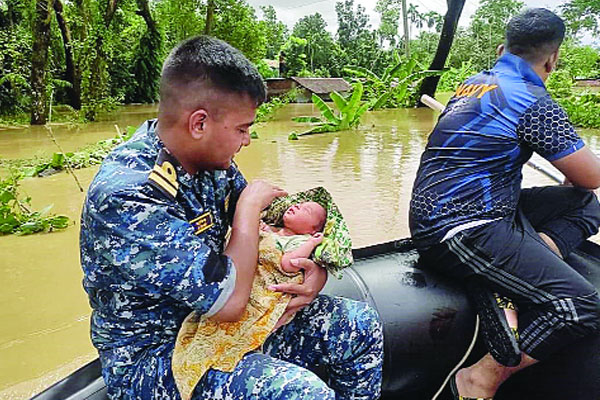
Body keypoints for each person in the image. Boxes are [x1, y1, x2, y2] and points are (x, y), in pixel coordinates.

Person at [80, 36, 383, 400]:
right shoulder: (127, 196)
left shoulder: (210, 164)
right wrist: (247, 211)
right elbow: (228, 303)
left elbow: (279, 226)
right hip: (158, 357)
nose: (248, 141)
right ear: (199, 124)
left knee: (359, 325)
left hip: (226, 327)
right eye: (242, 129)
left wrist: (314, 268)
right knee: (302, 394)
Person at [409, 8, 600, 399]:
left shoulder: (471, 84)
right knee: (582, 305)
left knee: (583, 204)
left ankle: (516, 275)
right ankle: (481, 377)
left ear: (502, 49)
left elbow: (582, 187)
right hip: (460, 227)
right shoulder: (533, 100)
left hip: (472, 209)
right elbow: (593, 173)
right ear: (552, 59)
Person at [172, 201, 329, 400]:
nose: (296, 206)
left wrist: (318, 274)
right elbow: (228, 304)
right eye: (298, 204)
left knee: (360, 320)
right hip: (170, 333)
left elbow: (289, 263)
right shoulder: (138, 195)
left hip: (266, 291)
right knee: (309, 392)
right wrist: (250, 210)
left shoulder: (225, 176)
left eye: (305, 209)